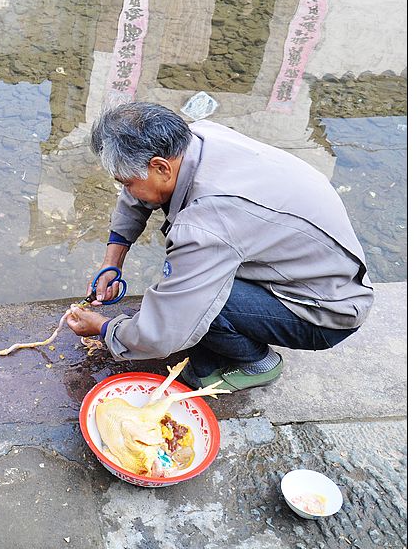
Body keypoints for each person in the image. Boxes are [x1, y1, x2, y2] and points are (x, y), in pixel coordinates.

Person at [65, 102, 373, 392]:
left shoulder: (208, 221)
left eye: (126, 182)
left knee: (190, 303)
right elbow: (137, 194)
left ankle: (257, 363)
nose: (127, 190)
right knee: (186, 284)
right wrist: (112, 263)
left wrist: (105, 328)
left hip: (327, 310)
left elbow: (165, 330)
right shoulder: (197, 137)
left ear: (160, 168)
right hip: (313, 267)